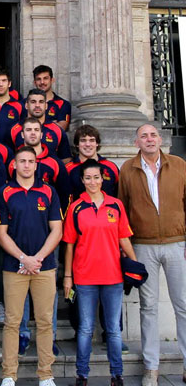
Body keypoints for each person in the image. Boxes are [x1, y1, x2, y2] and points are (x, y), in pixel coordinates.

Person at [118, 123, 186, 386]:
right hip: (143, 245)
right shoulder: (128, 169)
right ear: (136, 142)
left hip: (176, 242)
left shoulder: (179, 165)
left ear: (161, 139)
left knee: (182, 305)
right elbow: (122, 208)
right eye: (143, 136)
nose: (149, 139)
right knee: (148, 308)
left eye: (153, 135)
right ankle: (151, 367)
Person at [63, 159, 137, 386]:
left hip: (113, 275)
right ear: (82, 180)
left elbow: (123, 237)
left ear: (103, 178)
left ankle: (117, 375)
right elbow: (69, 245)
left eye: (96, 177)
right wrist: (67, 277)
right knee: (85, 329)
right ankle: (81, 375)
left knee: (113, 329)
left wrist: (135, 265)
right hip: (84, 276)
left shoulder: (116, 205)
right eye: (88, 178)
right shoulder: (75, 207)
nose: (92, 181)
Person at [0, 146, 62, 386]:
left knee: (45, 322)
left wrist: (38, 259)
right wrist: (24, 258)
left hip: (44, 267)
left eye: (30, 161)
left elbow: (57, 229)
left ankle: (46, 375)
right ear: (14, 165)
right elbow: (0, 233)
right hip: (14, 267)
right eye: (21, 161)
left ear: (36, 165)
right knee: (12, 322)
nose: (26, 165)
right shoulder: (4, 192)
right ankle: (8, 375)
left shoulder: (48, 191)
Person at [11, 89, 71, 163]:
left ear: (46, 106)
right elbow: (10, 159)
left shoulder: (57, 130)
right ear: (26, 105)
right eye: (33, 102)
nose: (37, 105)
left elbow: (65, 159)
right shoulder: (14, 129)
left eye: (41, 102)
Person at [32, 65, 71, 131]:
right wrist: (52, 123)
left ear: (52, 80)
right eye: (38, 79)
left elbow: (61, 128)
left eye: (45, 78)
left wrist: (34, 123)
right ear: (34, 82)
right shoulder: (26, 103)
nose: (42, 82)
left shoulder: (63, 104)